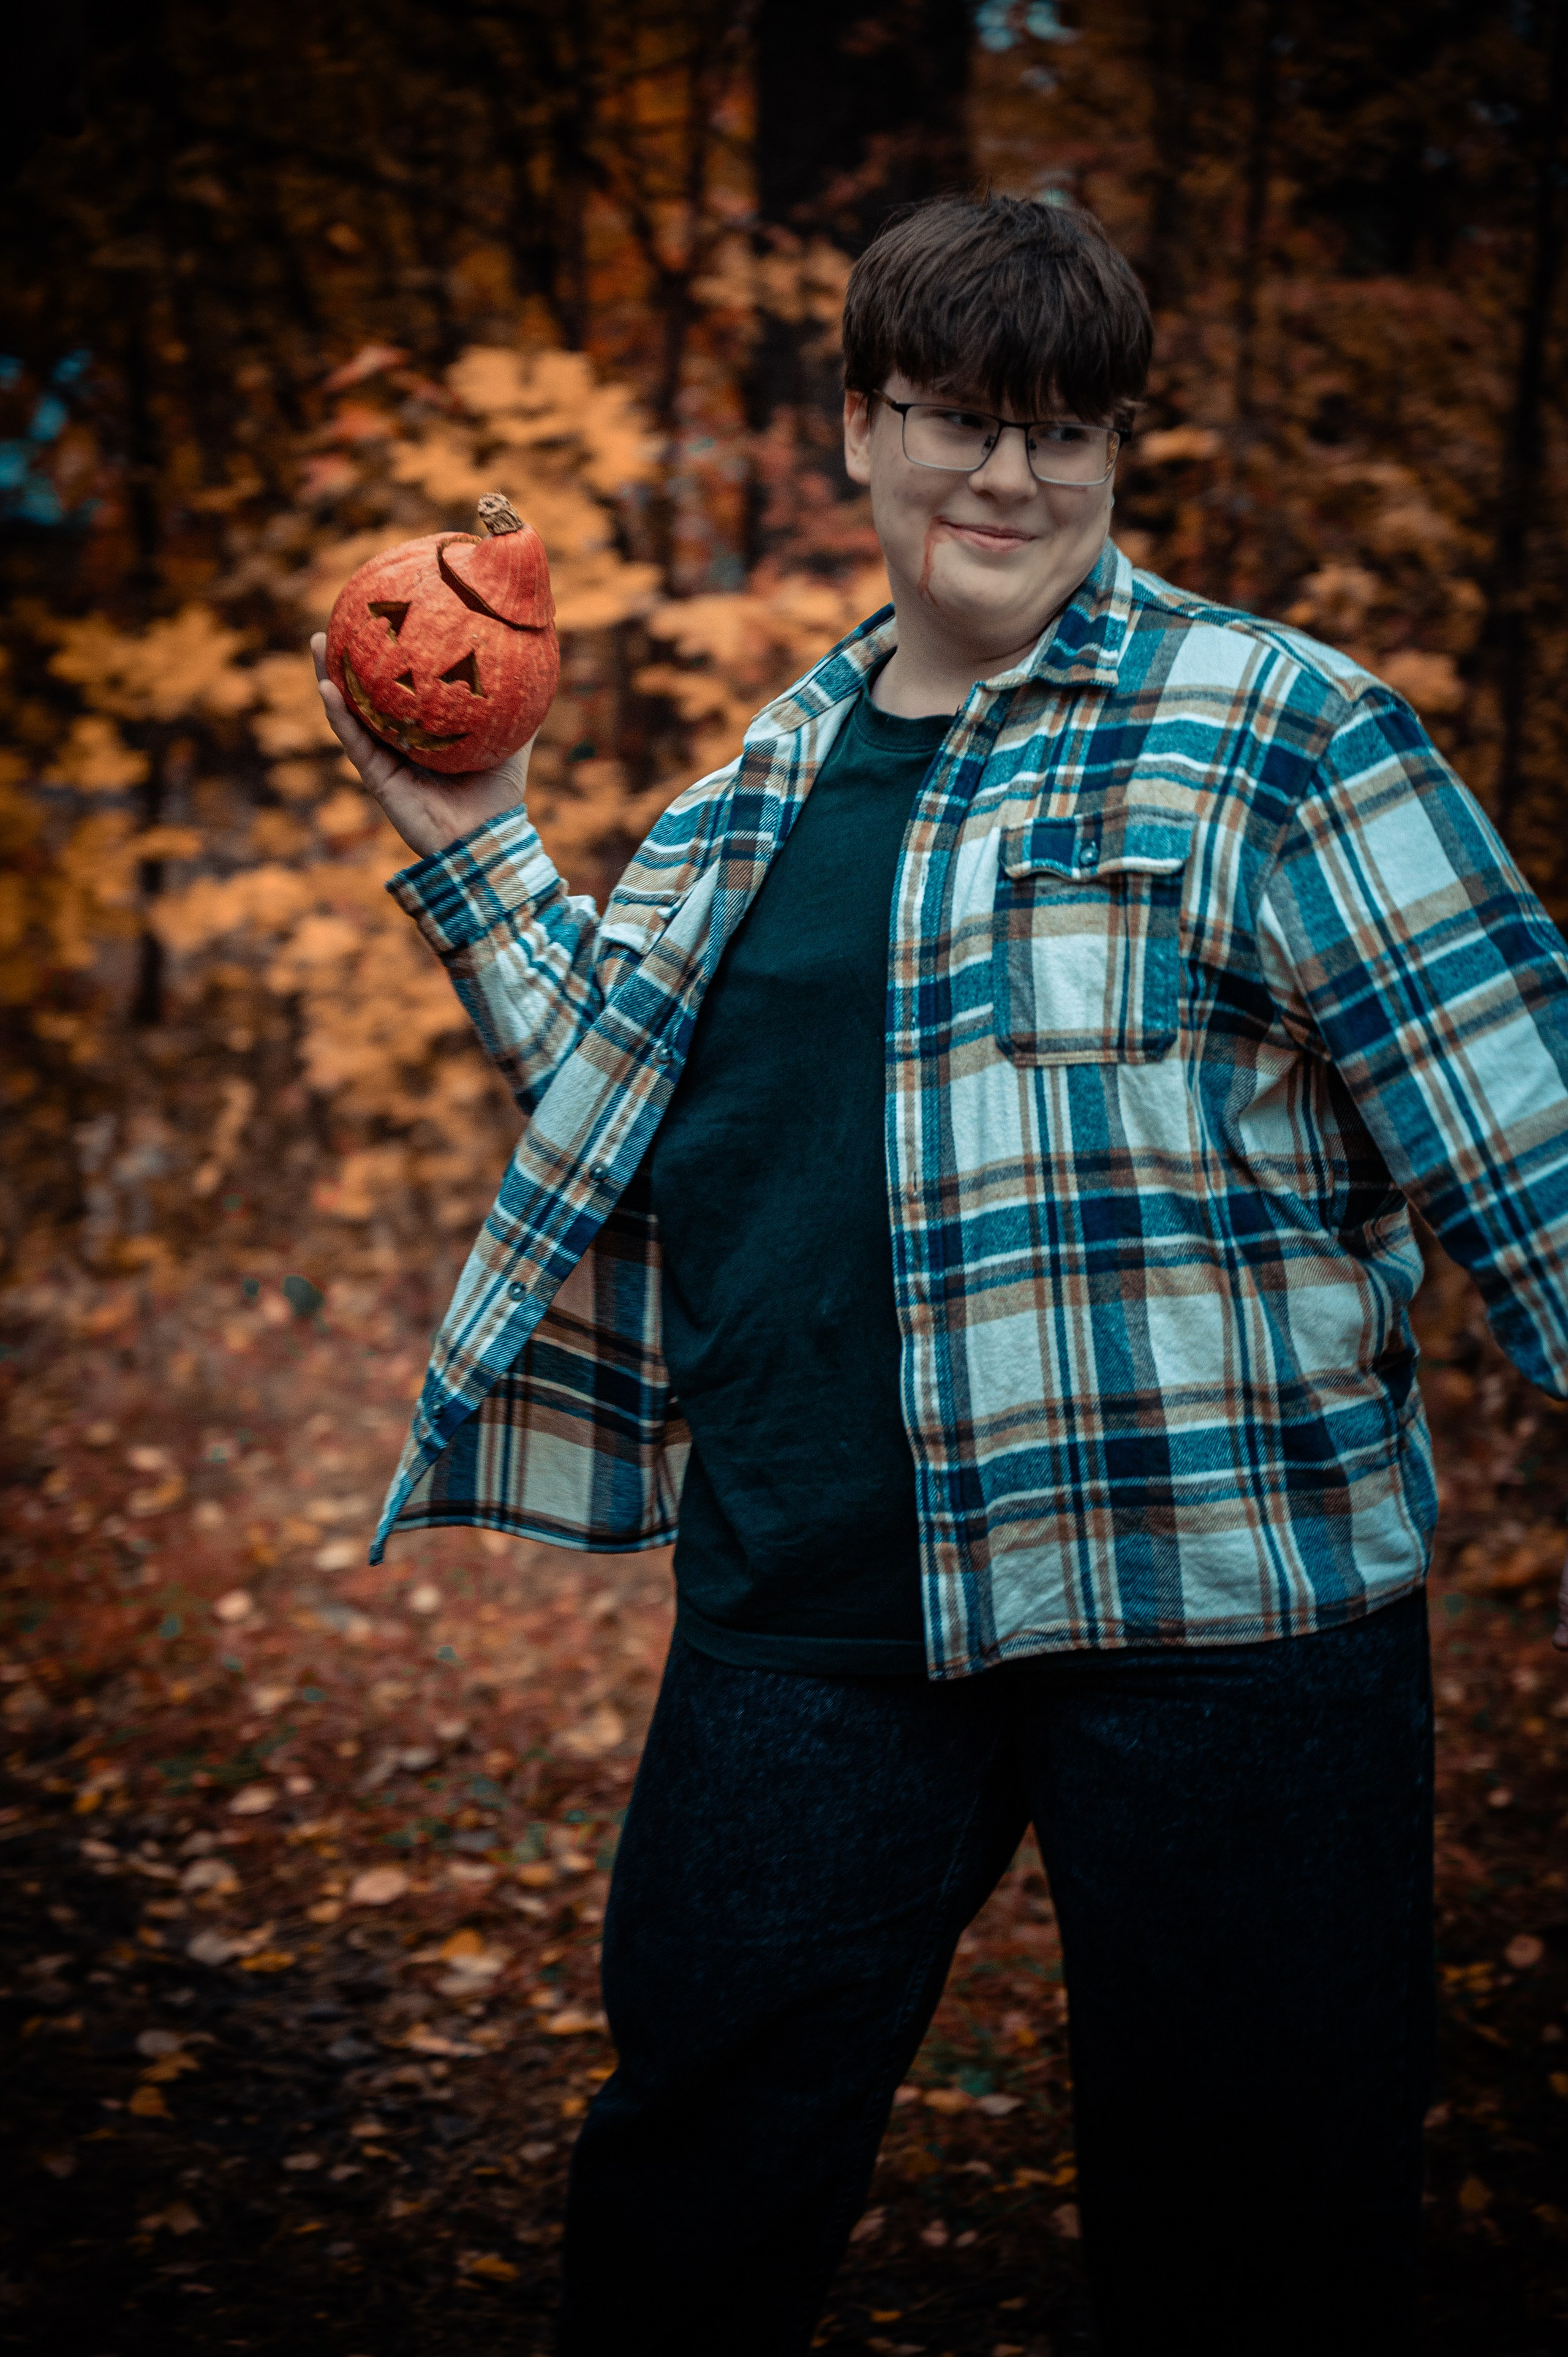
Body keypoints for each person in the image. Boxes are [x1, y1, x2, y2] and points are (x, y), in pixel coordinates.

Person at [314, 194, 1568, 2357]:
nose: (1014, 474)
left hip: (1223, 1618)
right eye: (963, 419)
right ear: (863, 431)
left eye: (1068, 431)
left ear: (1116, 450)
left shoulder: (1282, 735)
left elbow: (1538, 1146)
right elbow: (631, 1108)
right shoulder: (761, 784)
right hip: (808, 1619)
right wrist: (472, 830)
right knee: (695, 2188)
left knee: (1256, 2227)